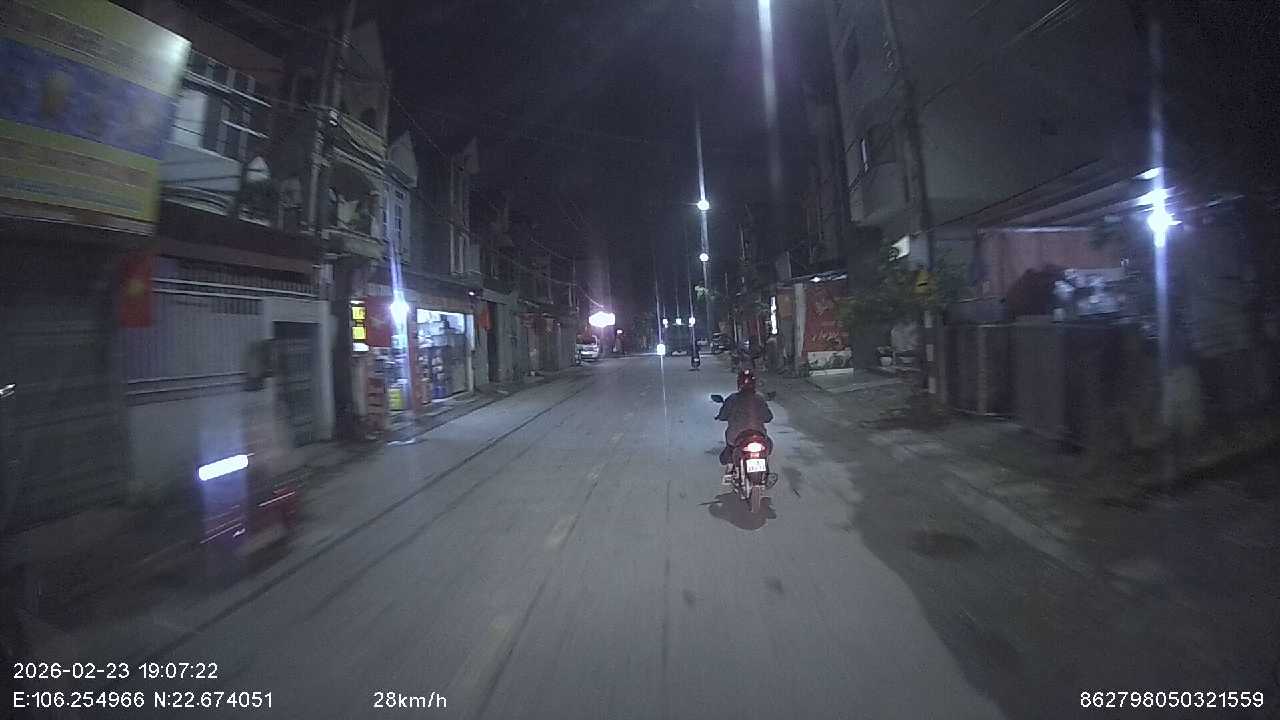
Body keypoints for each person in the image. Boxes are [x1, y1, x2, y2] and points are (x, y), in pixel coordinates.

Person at [715, 369, 773, 481]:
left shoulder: (732, 399)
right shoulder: (759, 399)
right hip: (758, 434)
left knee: (730, 447)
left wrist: (720, 416)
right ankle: (765, 471)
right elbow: (769, 417)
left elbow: (723, 415)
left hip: (736, 435)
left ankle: (730, 468)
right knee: (768, 444)